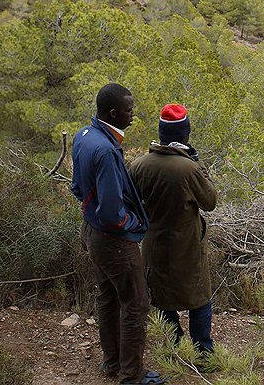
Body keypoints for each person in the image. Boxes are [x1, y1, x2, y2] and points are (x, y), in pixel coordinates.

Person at [71, 83, 165, 385]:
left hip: (91, 231)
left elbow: (76, 187)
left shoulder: (84, 136)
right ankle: (131, 375)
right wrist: (133, 226)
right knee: (136, 302)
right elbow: (112, 214)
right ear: (113, 112)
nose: (133, 113)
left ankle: (112, 364)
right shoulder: (106, 151)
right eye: (128, 109)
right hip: (112, 240)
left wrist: (96, 213)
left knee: (108, 297)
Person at [130, 104, 218, 354]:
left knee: (162, 298)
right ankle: (202, 352)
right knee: (199, 299)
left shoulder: (139, 165)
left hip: (154, 244)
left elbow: (131, 202)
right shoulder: (189, 169)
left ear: (161, 132)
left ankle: (174, 346)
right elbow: (210, 202)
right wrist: (198, 164)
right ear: (185, 134)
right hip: (188, 246)